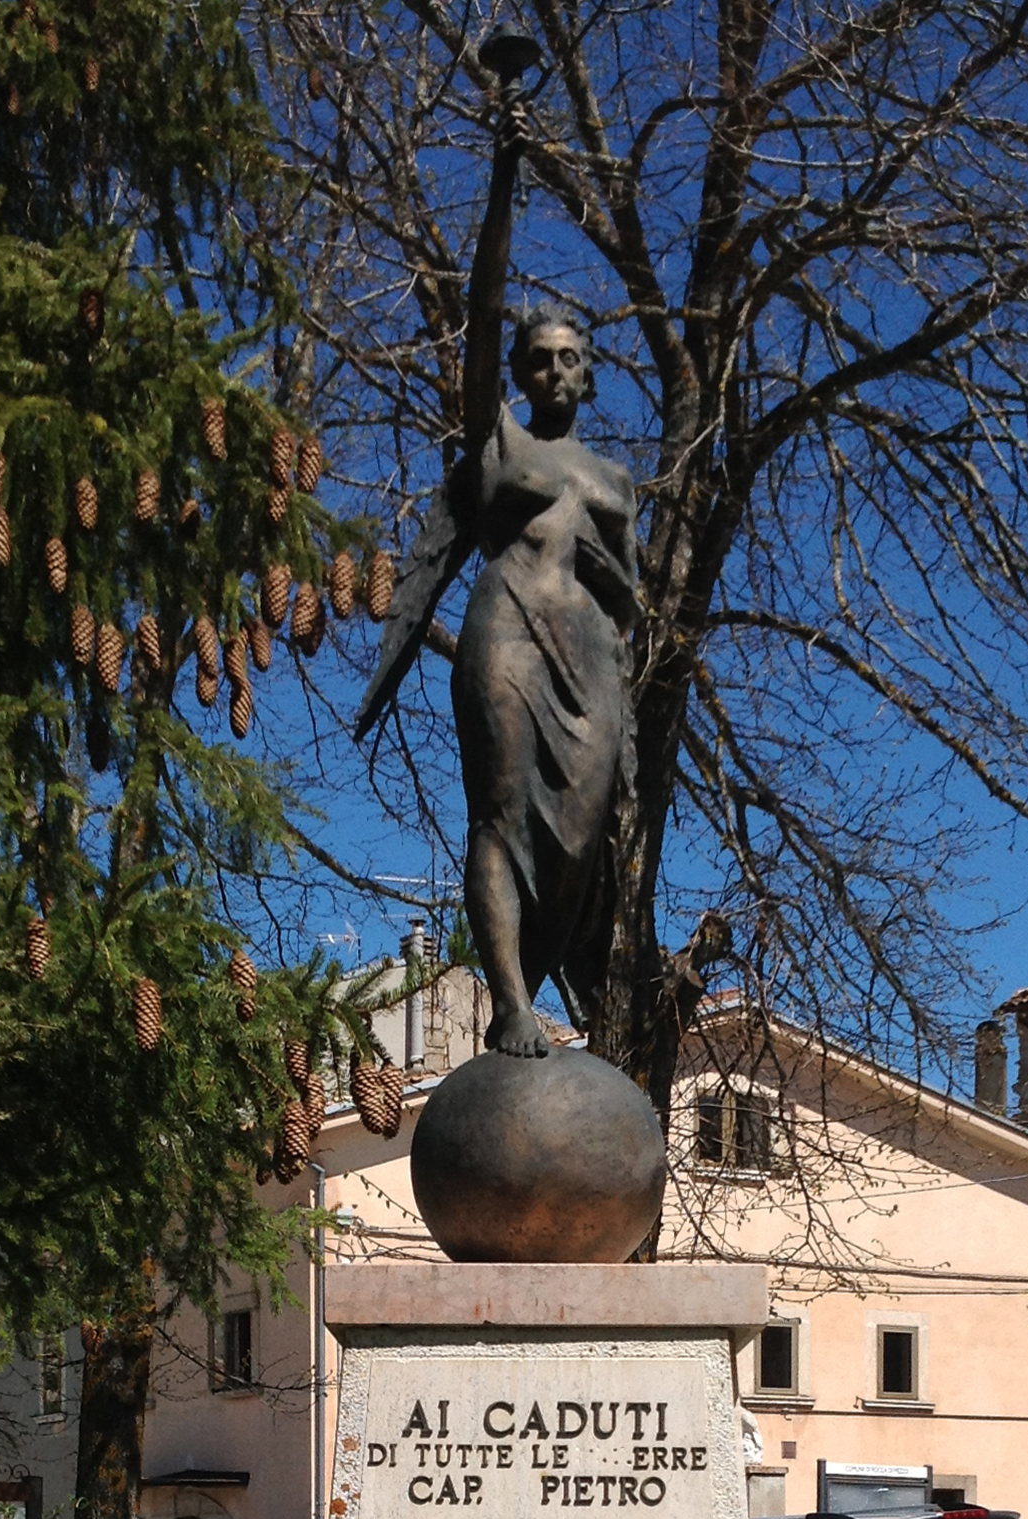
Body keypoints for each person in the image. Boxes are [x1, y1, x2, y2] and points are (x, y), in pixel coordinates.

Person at [355, 83, 638, 1057]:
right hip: (506, 632)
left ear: (591, 374)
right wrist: (506, 173)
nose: (553, 372)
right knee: (503, 812)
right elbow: (479, 314)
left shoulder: (615, 480)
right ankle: (511, 1003)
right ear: (518, 376)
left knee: (581, 846)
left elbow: (631, 601)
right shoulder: (501, 449)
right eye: (538, 360)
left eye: (570, 359)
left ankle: (557, 984)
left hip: (589, 658)